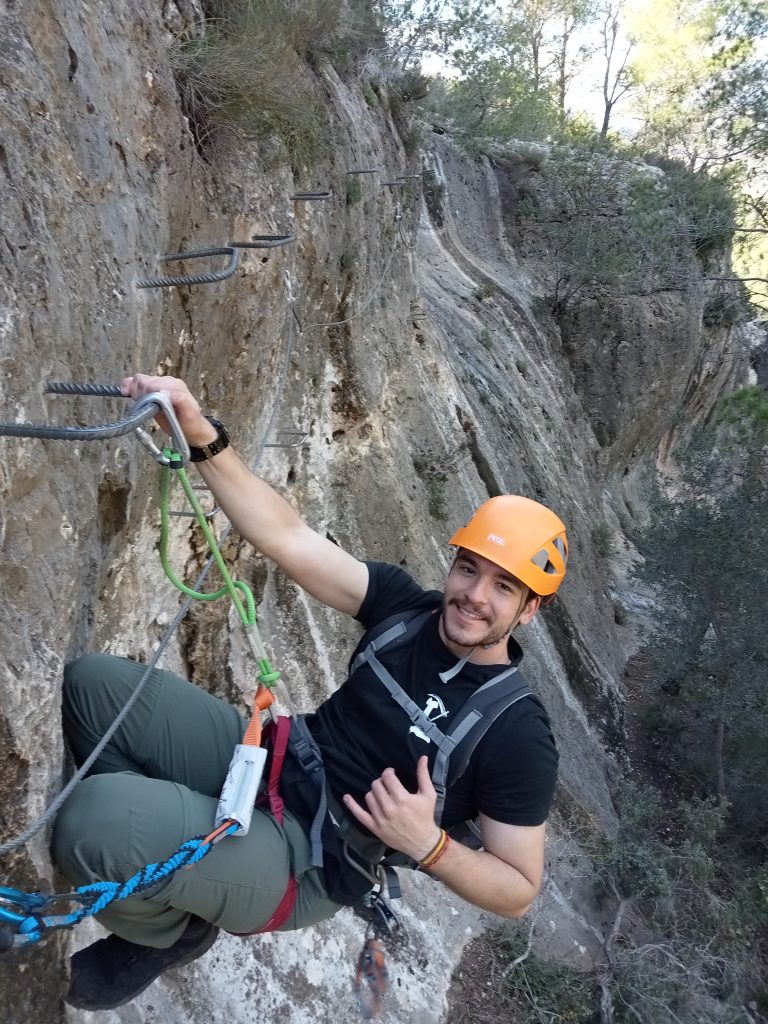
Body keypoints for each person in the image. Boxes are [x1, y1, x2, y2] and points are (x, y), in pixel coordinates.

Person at [52, 373, 568, 1011]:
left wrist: (427, 845)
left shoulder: (515, 732)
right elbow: (286, 536)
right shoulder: (404, 610)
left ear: (528, 611)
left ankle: (166, 930)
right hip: (275, 759)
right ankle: (166, 868)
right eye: (469, 569)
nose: (474, 596)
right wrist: (197, 432)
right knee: (93, 689)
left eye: (504, 587)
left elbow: (518, 889)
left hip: (311, 857)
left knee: (91, 820)